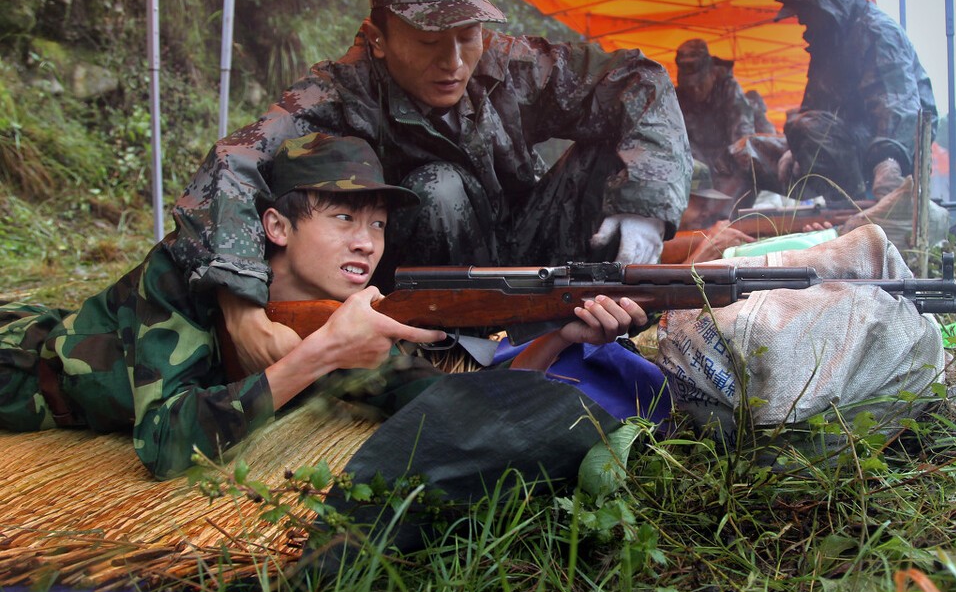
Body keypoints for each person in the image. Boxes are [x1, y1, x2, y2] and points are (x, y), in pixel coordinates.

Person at [169, 0, 691, 376]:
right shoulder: (341, 92)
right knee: (439, 187)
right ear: (378, 39)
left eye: (468, 36)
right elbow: (235, 162)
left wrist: (644, 206)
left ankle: (594, 327)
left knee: (615, 158)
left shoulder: (510, 63)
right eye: (428, 41)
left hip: (525, 256)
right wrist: (240, 308)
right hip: (421, 291)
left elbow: (639, 79)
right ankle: (452, 366)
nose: (454, 62)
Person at [0, 134, 648, 479]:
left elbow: (462, 405)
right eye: (343, 218)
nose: (367, 243)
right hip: (21, 375)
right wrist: (317, 357)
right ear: (277, 227)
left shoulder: (338, 315)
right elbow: (166, 447)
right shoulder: (180, 274)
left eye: (378, 224)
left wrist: (560, 338)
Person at [773, 0, 937, 204]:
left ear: (824, 1)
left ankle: (854, 207)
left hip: (889, 152)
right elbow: (814, 106)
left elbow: (898, 106)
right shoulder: (828, 41)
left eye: (804, 11)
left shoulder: (876, 31)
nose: (801, 20)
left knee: (808, 127)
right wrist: (791, 148)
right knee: (752, 150)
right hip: (849, 145)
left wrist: (889, 160)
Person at [674, 39, 756, 200]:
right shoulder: (678, 98)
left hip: (731, 168)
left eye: (700, 84)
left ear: (712, 74)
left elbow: (743, 136)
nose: (695, 91)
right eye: (689, 87)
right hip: (698, 173)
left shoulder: (729, 90)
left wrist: (735, 166)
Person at [660, 160, 755, 264]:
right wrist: (708, 250)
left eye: (706, 206)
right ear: (673, 200)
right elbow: (659, 274)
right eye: (700, 205)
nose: (706, 213)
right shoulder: (648, 241)